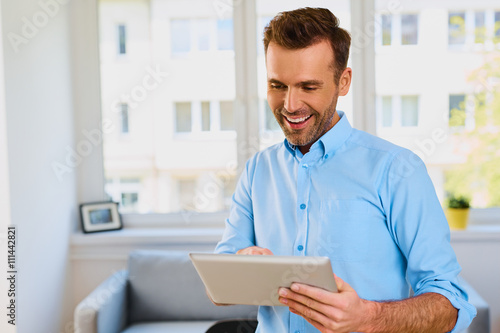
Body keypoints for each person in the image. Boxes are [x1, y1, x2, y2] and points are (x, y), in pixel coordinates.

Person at [214, 7, 476, 333]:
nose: (290, 104)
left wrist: (368, 317)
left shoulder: (397, 170)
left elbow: (451, 304)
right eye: (277, 85)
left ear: (343, 81)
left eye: (308, 87)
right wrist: (245, 261)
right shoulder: (257, 170)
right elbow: (220, 284)